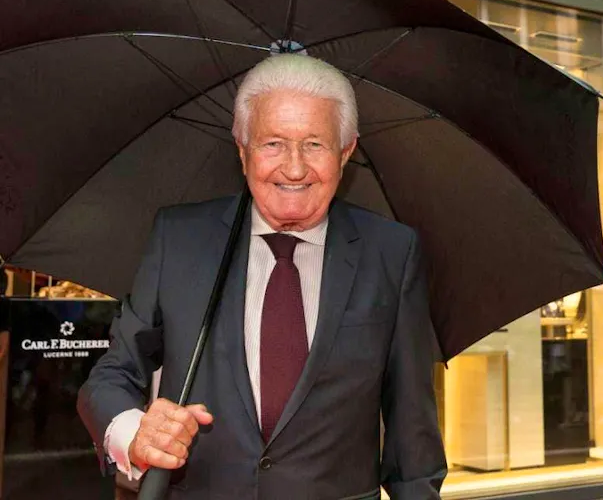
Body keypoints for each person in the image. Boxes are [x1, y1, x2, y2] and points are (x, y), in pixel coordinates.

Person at [77, 54, 446, 499]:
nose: (293, 168)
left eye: (315, 144)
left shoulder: (392, 251)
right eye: (272, 143)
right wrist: (136, 431)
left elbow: (413, 435)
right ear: (242, 148)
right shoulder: (180, 238)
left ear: (346, 152)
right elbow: (112, 375)